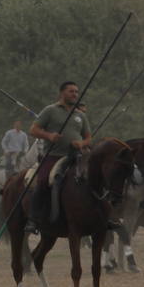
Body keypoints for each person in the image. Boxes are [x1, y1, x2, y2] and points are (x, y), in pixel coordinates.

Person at [27, 81, 91, 227]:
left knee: (97, 178)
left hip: (77, 156)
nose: (75, 94)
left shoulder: (80, 115)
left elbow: (88, 138)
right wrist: (49, 136)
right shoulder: (50, 110)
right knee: (42, 181)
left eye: (76, 91)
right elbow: (33, 130)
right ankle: (33, 218)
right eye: (71, 91)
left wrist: (81, 143)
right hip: (54, 156)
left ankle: (105, 215)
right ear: (62, 93)